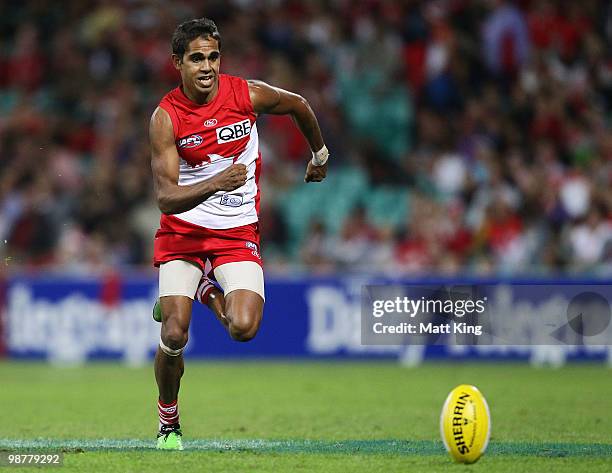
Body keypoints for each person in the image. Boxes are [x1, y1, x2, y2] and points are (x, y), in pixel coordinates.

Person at [149, 18, 329, 450]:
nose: (206, 66)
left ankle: (205, 288)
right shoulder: (165, 118)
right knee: (174, 334)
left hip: (235, 231)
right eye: (196, 58)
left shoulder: (245, 94)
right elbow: (166, 199)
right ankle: (168, 422)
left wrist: (319, 154)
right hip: (184, 231)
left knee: (242, 328)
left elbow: (299, 104)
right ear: (178, 63)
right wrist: (216, 182)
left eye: (212, 57)